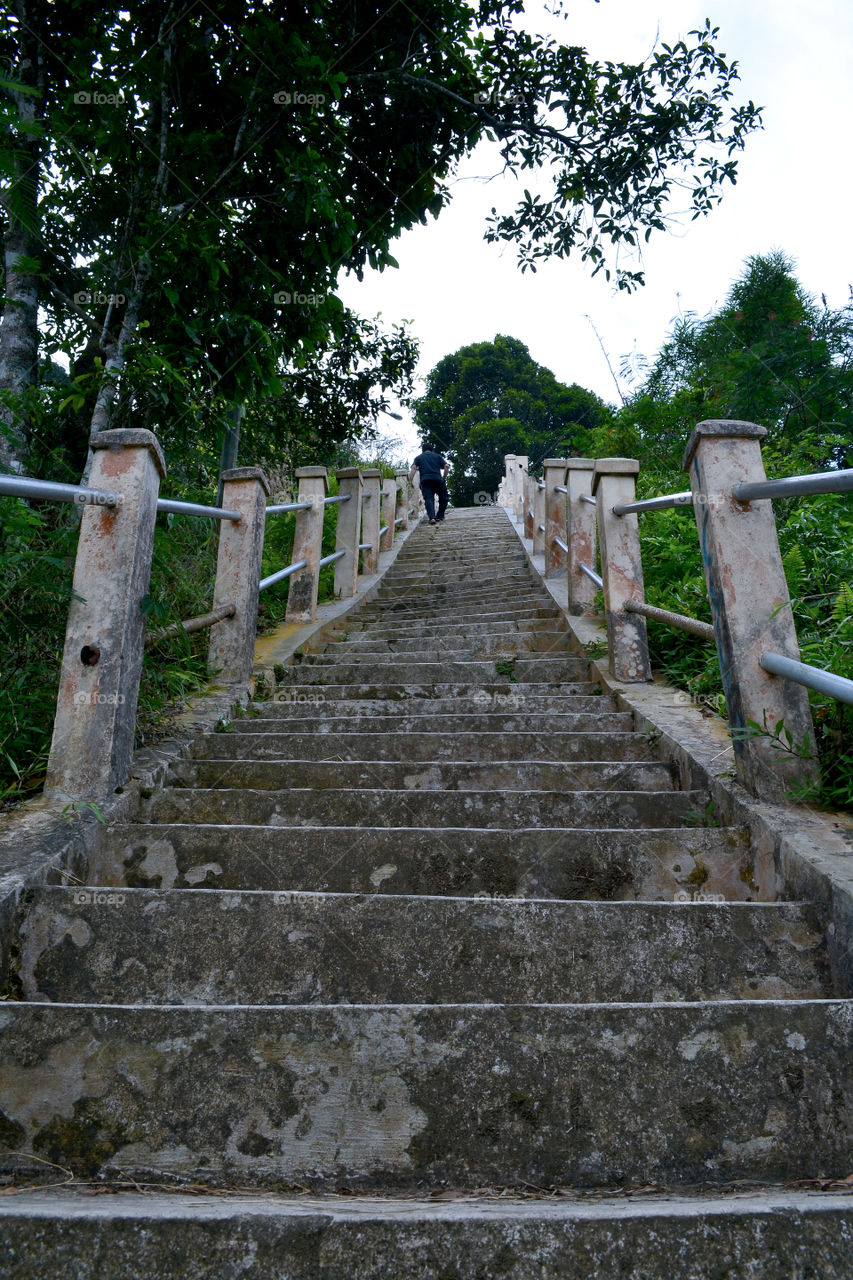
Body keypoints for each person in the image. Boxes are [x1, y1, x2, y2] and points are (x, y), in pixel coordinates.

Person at [410, 443, 450, 525]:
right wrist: (444, 478)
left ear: (422, 450)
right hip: (438, 480)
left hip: (425, 481)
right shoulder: (437, 456)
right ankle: (440, 515)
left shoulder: (418, 458)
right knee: (444, 498)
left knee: (429, 499)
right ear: (432, 450)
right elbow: (446, 467)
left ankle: (432, 518)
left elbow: (414, 468)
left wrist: (410, 481)